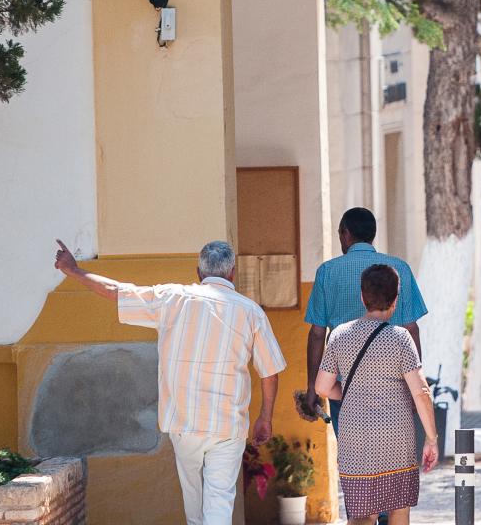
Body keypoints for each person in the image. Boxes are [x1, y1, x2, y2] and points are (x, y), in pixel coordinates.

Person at [53, 238, 285, 525]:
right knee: (219, 503)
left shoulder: (172, 298)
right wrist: (265, 416)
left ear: (198, 273)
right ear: (233, 273)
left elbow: (117, 291)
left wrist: (74, 270)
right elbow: (269, 371)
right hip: (228, 425)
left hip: (184, 423)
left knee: (194, 505)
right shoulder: (251, 312)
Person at [314, 264, 441, 525]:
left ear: (362, 297)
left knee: (361, 515)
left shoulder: (339, 336)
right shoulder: (401, 339)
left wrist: (350, 393)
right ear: (395, 300)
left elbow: (322, 388)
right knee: (398, 511)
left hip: (355, 439)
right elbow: (421, 392)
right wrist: (432, 438)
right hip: (397, 439)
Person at [299, 207, 428, 424]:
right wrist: (416, 387)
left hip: (344, 386)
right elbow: (411, 328)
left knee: (352, 454)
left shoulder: (327, 272)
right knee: (392, 453)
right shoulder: (399, 269)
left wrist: (313, 386)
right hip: (394, 386)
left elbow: (317, 334)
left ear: (346, 233)